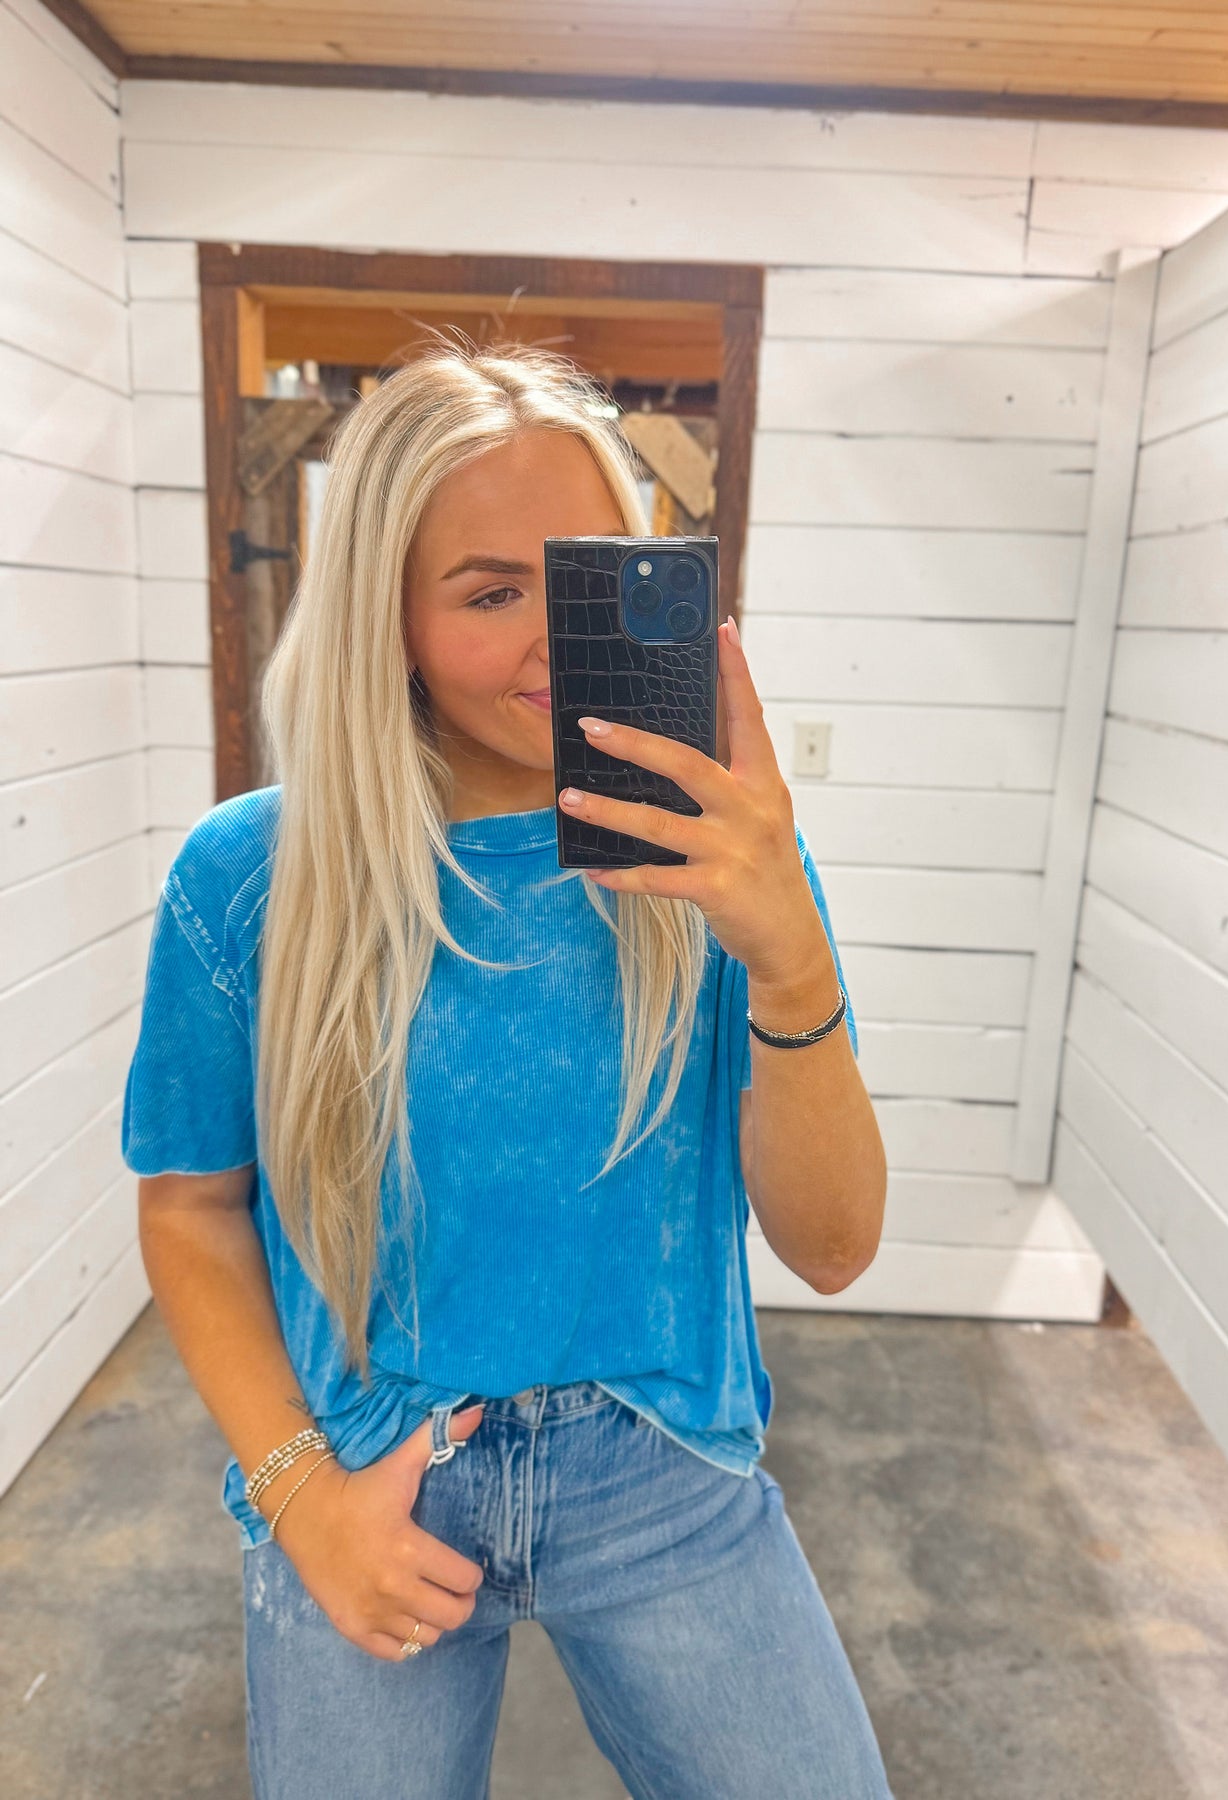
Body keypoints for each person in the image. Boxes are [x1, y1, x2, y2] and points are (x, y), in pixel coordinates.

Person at [122, 343, 893, 1799]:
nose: (552, 642)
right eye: (487, 594)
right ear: (388, 617)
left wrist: (791, 959)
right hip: (367, 1468)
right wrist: (300, 1499)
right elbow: (190, 1209)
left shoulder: (713, 861)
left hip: (663, 1469)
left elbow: (836, 1245)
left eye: (588, 578)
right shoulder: (251, 878)